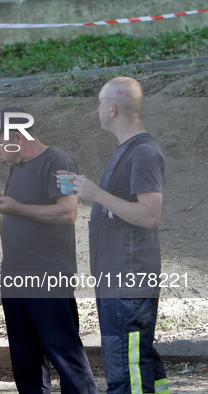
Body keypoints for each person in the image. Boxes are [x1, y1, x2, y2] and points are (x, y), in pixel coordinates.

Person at [0, 107, 98, 394]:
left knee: (64, 354)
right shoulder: (17, 168)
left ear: (16, 136)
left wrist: (15, 207)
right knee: (25, 360)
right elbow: (17, 217)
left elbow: (67, 213)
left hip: (47, 275)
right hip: (15, 277)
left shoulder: (59, 160)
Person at [73, 77, 169, 394]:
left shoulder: (143, 153)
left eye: (100, 103)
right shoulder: (127, 149)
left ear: (112, 108)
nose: (97, 109)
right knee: (139, 361)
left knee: (126, 371)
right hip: (117, 278)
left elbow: (149, 215)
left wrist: (97, 194)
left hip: (128, 279)